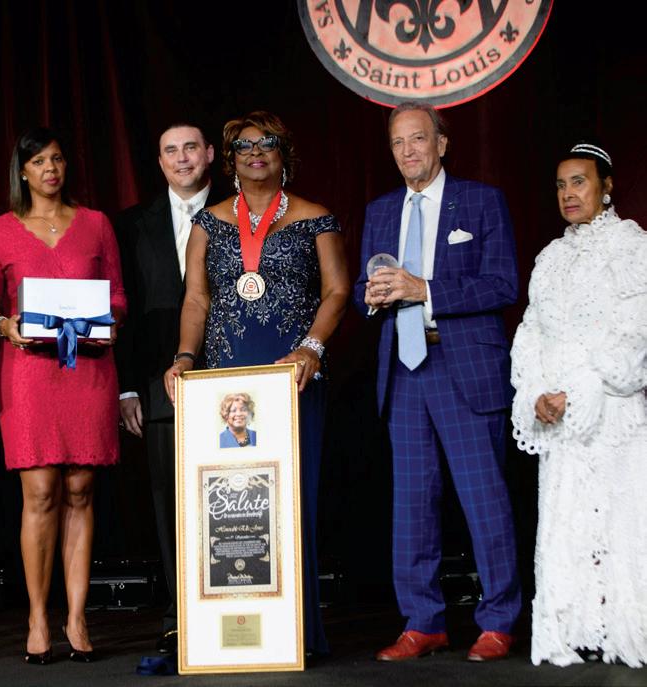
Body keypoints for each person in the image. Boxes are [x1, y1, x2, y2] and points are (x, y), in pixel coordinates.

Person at [164, 110, 351, 656]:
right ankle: (231, 639)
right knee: (231, 505)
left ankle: (295, 636)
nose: (255, 153)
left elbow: (338, 291)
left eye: (266, 143)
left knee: (292, 502)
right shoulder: (209, 222)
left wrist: (312, 348)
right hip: (226, 382)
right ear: (230, 160)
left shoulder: (317, 217)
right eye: (243, 146)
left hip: (293, 377)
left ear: (284, 152)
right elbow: (196, 298)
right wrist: (184, 358)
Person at [355, 102, 521, 662]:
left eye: (418, 139)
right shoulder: (380, 211)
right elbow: (363, 292)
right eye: (398, 143)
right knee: (412, 505)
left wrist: (424, 289)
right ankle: (423, 621)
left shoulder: (481, 201)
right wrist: (372, 296)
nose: (408, 151)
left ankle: (499, 620)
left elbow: (502, 284)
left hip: (463, 367)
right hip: (403, 372)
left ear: (442, 144)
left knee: (484, 500)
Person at [0, 127, 126, 665]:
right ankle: (38, 616)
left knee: (81, 490)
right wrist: (4, 326)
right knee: (40, 492)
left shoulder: (97, 224)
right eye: (39, 161)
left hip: (88, 370)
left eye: (57, 159)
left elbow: (118, 295)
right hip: (30, 376)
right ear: (22, 171)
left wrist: (106, 320)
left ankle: (77, 617)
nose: (50, 169)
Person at [510, 142, 647, 668]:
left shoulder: (632, 248)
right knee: (567, 521)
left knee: (617, 519)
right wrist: (535, 391)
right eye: (561, 185)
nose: (568, 193)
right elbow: (532, 332)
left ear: (605, 187)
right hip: (560, 419)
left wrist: (582, 387)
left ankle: (623, 630)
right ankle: (577, 629)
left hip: (610, 412)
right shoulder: (551, 258)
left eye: (579, 182)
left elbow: (635, 333)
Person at [114, 122, 217, 655]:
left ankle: (238, 610)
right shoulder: (132, 224)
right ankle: (180, 618)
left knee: (234, 499)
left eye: (190, 148)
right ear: (159, 162)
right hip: (159, 388)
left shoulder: (238, 211)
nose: (182, 159)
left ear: (210, 154)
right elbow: (124, 311)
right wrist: (127, 388)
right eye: (170, 151)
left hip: (230, 382)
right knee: (170, 506)